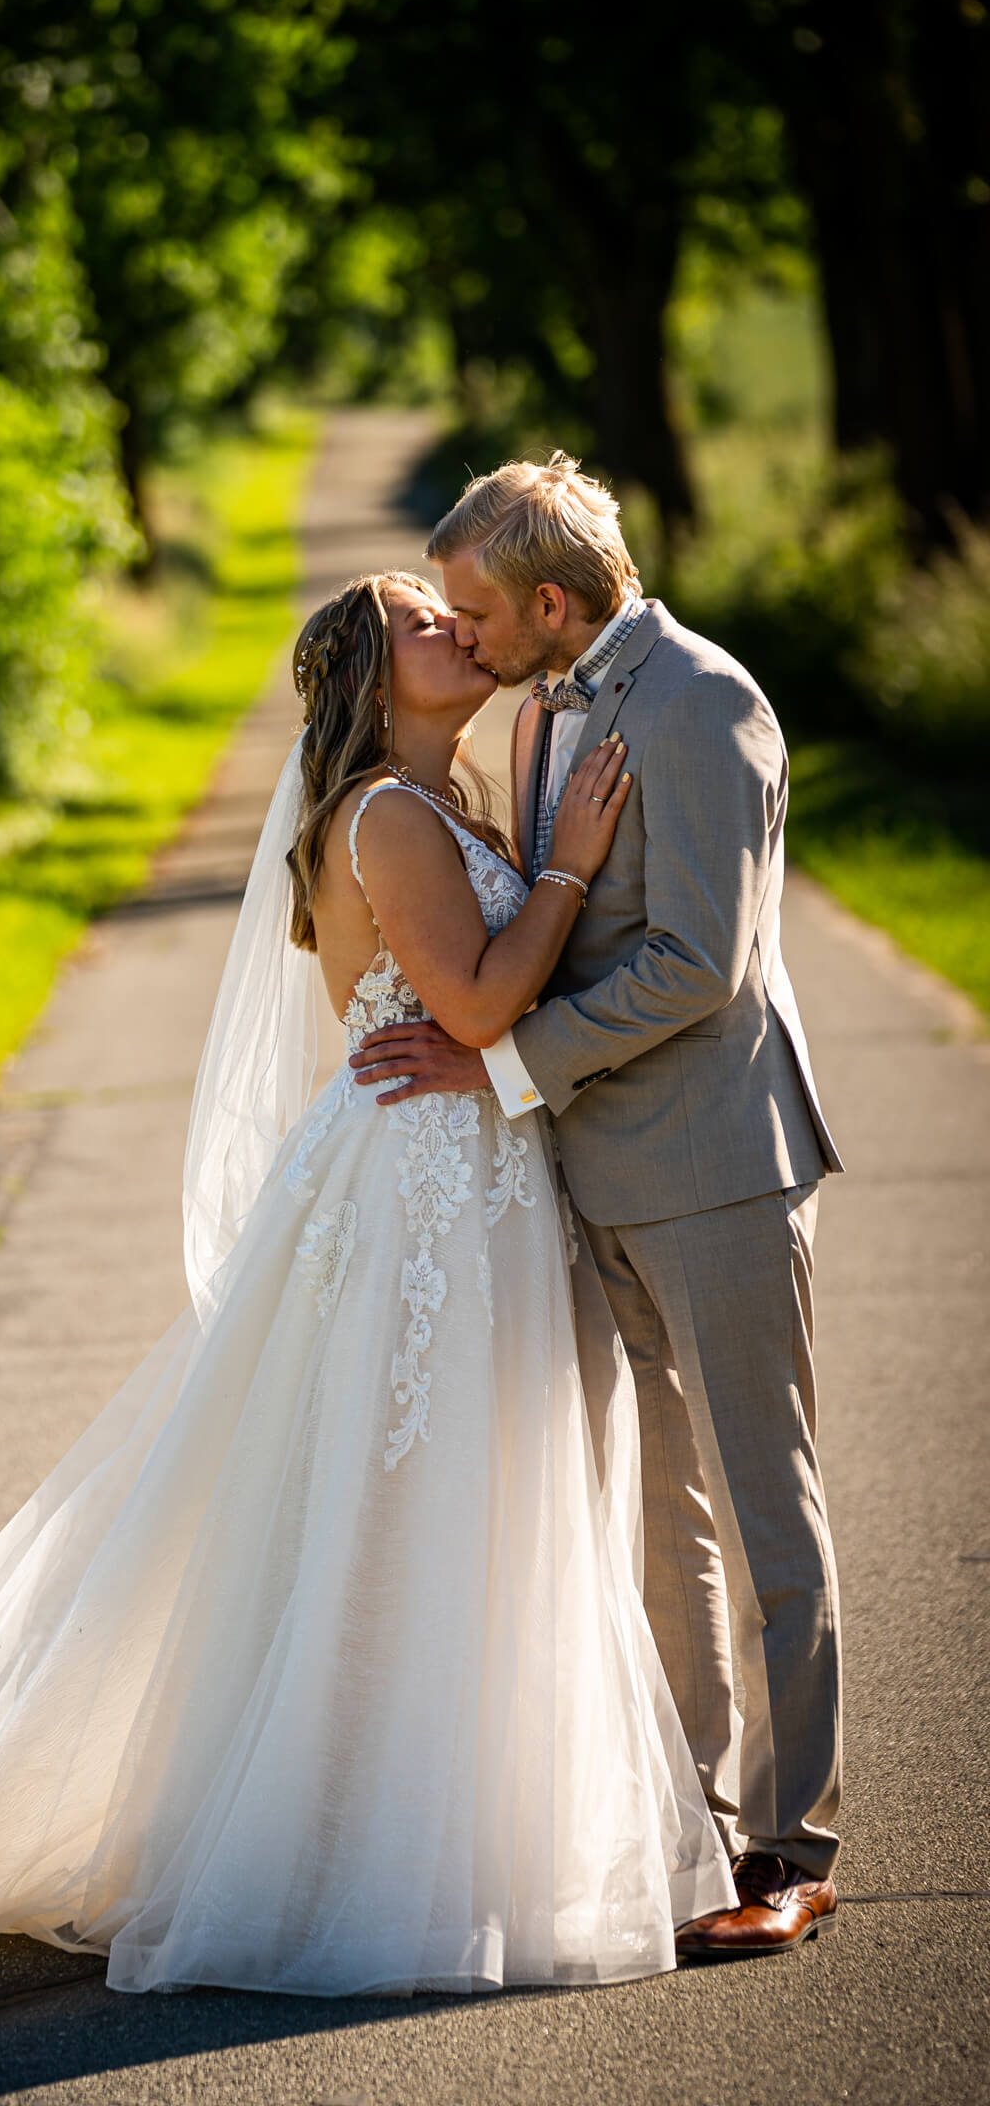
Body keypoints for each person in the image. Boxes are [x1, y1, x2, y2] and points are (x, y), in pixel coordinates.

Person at [0, 571, 733, 2004]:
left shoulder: (454, 809)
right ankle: (349, 1853)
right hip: (416, 1196)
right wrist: (569, 873)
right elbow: (480, 1006)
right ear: (376, 682)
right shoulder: (387, 816)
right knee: (400, 1507)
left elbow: (486, 1009)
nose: (457, 630)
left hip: (467, 1183)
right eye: (424, 625)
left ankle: (451, 1831)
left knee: (455, 1506)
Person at [351, 457, 844, 1959]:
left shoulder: (700, 701)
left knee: (764, 1514)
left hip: (714, 1167)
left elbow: (701, 962)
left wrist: (502, 1065)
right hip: (590, 1174)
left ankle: (794, 1849)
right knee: (664, 1517)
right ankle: (694, 1829)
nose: (463, 633)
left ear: (554, 603)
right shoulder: (541, 711)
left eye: (479, 613)